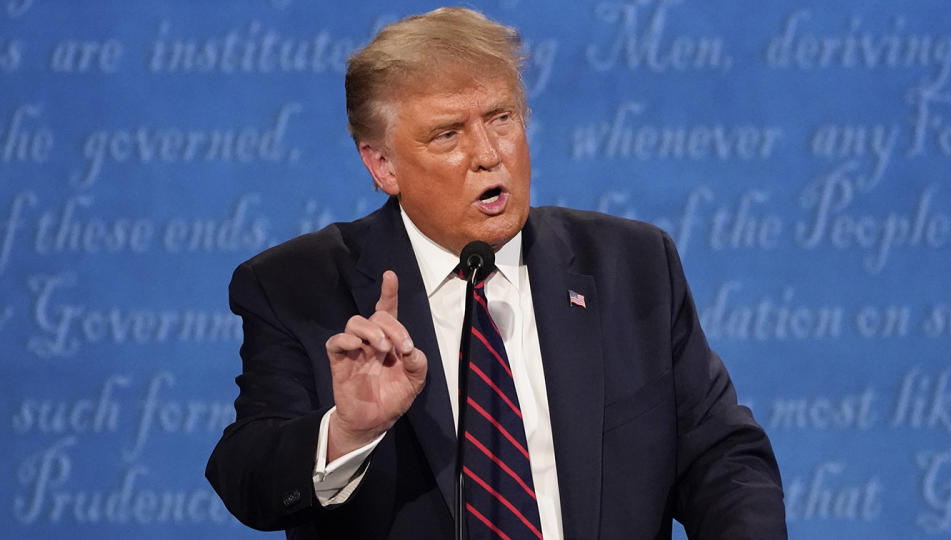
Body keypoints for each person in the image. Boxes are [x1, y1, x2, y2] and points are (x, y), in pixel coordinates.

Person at [206, 7, 787, 540]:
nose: (489, 153)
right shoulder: (297, 287)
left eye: (501, 117)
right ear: (382, 165)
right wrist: (347, 433)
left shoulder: (631, 267)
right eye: (448, 134)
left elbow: (723, 459)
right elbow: (245, 477)